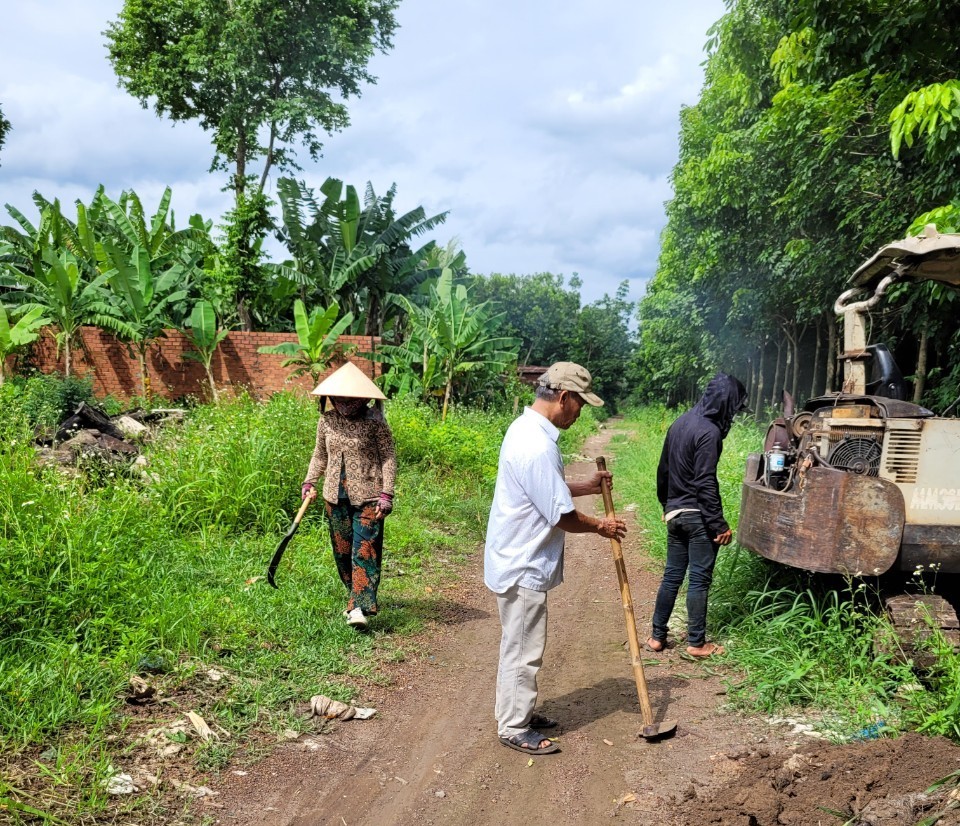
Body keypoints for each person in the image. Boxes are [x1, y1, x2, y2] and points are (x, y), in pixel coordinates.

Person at [485, 362, 627, 755]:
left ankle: (516, 712)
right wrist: (603, 526)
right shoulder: (536, 443)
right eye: (580, 404)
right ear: (563, 397)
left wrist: (585, 486)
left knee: (518, 644)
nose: (580, 413)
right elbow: (560, 515)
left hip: (515, 557)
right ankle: (514, 726)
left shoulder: (527, 430)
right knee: (523, 649)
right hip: (522, 562)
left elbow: (543, 489)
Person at [647, 372, 748, 658]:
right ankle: (696, 642)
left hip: (675, 513)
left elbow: (663, 470)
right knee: (699, 579)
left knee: (672, 576)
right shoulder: (710, 432)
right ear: (727, 404)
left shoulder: (680, 423)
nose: (734, 416)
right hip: (697, 518)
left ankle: (657, 637)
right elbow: (705, 481)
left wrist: (667, 506)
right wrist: (719, 524)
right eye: (735, 409)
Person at [301, 361, 396, 631]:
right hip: (335, 497)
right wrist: (309, 481)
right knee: (343, 553)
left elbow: (388, 457)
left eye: (351, 399)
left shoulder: (375, 422)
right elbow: (320, 455)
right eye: (340, 399)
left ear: (363, 399)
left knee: (364, 550)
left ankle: (359, 607)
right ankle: (355, 593)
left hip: (369, 497)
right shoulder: (327, 421)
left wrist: (386, 493)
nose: (345, 404)